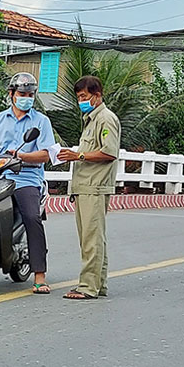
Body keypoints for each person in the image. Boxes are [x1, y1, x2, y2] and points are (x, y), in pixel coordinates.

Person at [0, 72, 55, 294]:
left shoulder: (41, 121)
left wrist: (21, 157)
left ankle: (39, 275)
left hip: (26, 178)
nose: (26, 97)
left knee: (32, 217)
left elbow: (45, 155)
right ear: (11, 94)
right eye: (22, 93)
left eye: (30, 94)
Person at [59, 75, 121, 300]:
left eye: (84, 96)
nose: (81, 101)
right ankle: (98, 285)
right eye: (78, 97)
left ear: (97, 95)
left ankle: (88, 287)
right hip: (85, 186)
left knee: (91, 240)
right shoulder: (91, 120)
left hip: (94, 187)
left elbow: (109, 152)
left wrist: (79, 155)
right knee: (92, 238)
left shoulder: (105, 119)